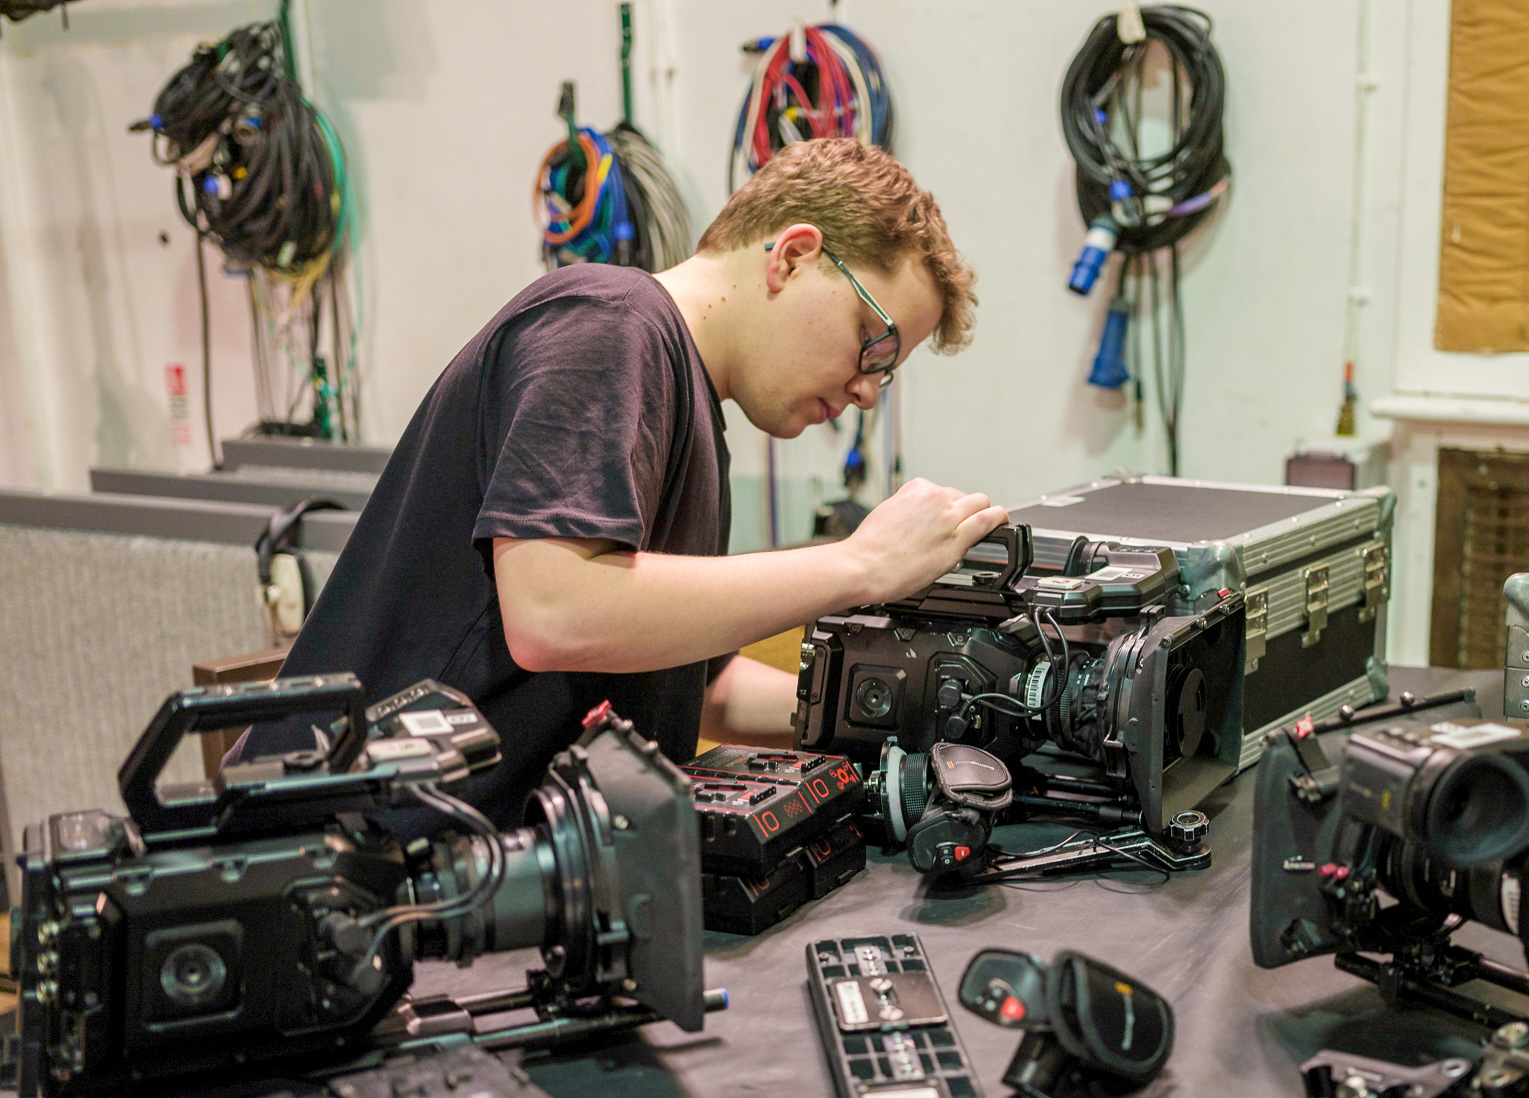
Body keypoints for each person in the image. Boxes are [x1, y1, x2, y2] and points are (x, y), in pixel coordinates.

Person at [236, 138, 1006, 828]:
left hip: (479, 870)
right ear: (793, 256)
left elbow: (699, 690)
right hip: (345, 859)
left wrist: (915, 714)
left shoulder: (695, 414)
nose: (869, 391)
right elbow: (553, 611)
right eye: (875, 347)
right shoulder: (609, 322)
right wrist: (859, 565)